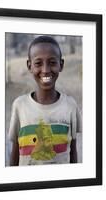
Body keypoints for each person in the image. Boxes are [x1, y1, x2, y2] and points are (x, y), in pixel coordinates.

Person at [8, 35, 82, 166]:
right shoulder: (20, 106)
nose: (46, 70)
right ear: (29, 66)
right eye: (38, 63)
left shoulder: (70, 106)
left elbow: (73, 152)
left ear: (61, 65)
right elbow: (15, 152)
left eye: (52, 62)